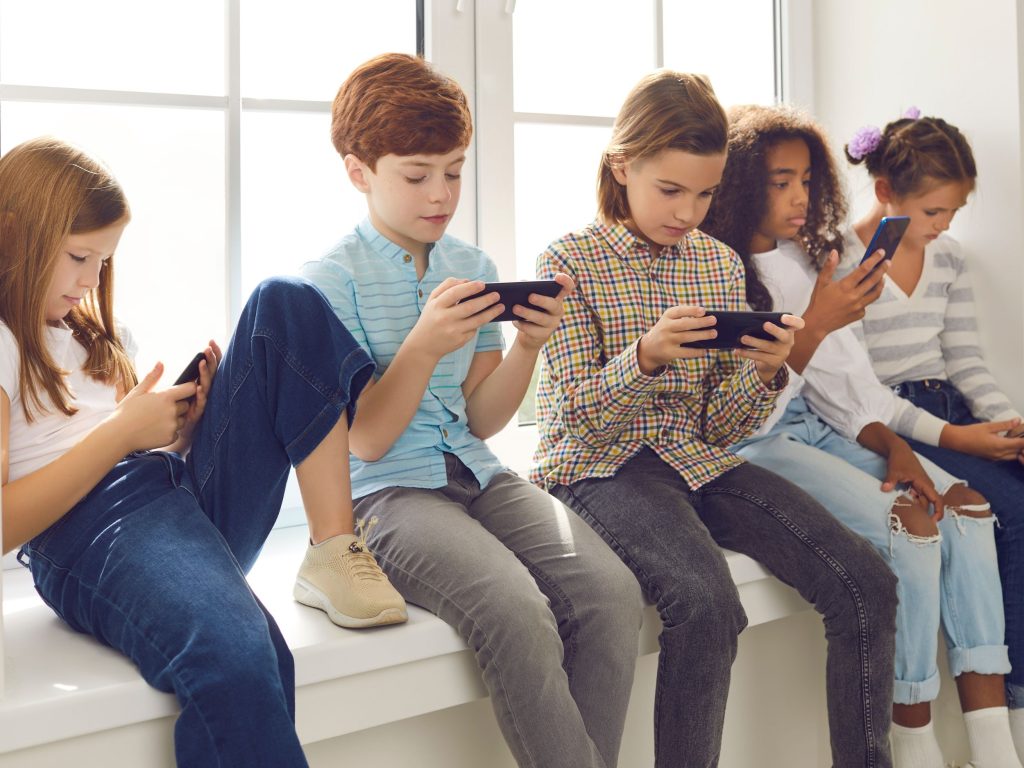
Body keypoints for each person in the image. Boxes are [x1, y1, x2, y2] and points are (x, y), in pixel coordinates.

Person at [0, 136, 407, 767]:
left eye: (103, 263)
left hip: (172, 495)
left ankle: (332, 547)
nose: (91, 281)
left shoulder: (86, 339)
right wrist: (121, 436)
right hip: (90, 532)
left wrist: (183, 433)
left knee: (283, 303)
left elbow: (132, 452)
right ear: (13, 235)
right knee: (246, 656)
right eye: (80, 256)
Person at [532, 71, 898, 768]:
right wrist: (643, 358)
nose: (686, 212)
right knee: (706, 605)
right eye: (670, 190)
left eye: (704, 193)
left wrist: (768, 368)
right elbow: (576, 425)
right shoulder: (568, 260)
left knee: (867, 582)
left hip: (697, 458)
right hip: (600, 469)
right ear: (622, 166)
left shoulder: (717, 264)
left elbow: (721, 427)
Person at [300, 53, 643, 768]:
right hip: (389, 495)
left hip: (477, 473)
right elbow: (365, 441)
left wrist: (527, 348)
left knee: (612, 595)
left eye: (454, 171)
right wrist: (421, 346)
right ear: (358, 171)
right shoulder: (327, 282)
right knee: (517, 612)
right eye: (417, 175)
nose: (441, 193)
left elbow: (482, 420)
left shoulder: (474, 266)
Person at [703, 103, 1017, 768]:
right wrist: (813, 324)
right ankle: (913, 738)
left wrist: (897, 446)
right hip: (758, 442)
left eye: (808, 181)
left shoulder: (806, 261)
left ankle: (995, 746)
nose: (799, 197)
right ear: (738, 185)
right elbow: (742, 416)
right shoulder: (718, 272)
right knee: (912, 525)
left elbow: (849, 388)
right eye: (780, 181)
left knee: (968, 510)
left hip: (822, 427)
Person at [841, 110, 1024, 762]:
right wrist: (962, 439)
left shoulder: (949, 261)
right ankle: (1010, 712)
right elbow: (862, 392)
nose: (945, 225)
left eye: (954, 210)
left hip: (952, 413)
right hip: (895, 424)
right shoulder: (841, 262)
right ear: (886, 190)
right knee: (1007, 512)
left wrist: (1006, 422)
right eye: (933, 210)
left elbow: (967, 363)